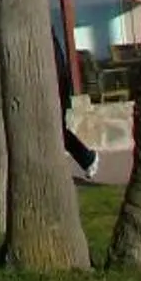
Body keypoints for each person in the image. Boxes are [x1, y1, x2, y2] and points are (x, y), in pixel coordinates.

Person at [54, 27, 99, 182]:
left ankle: (87, 158)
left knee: (58, 131)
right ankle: (87, 158)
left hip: (56, 94)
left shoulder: (49, 46)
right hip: (57, 92)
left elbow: (59, 74)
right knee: (58, 131)